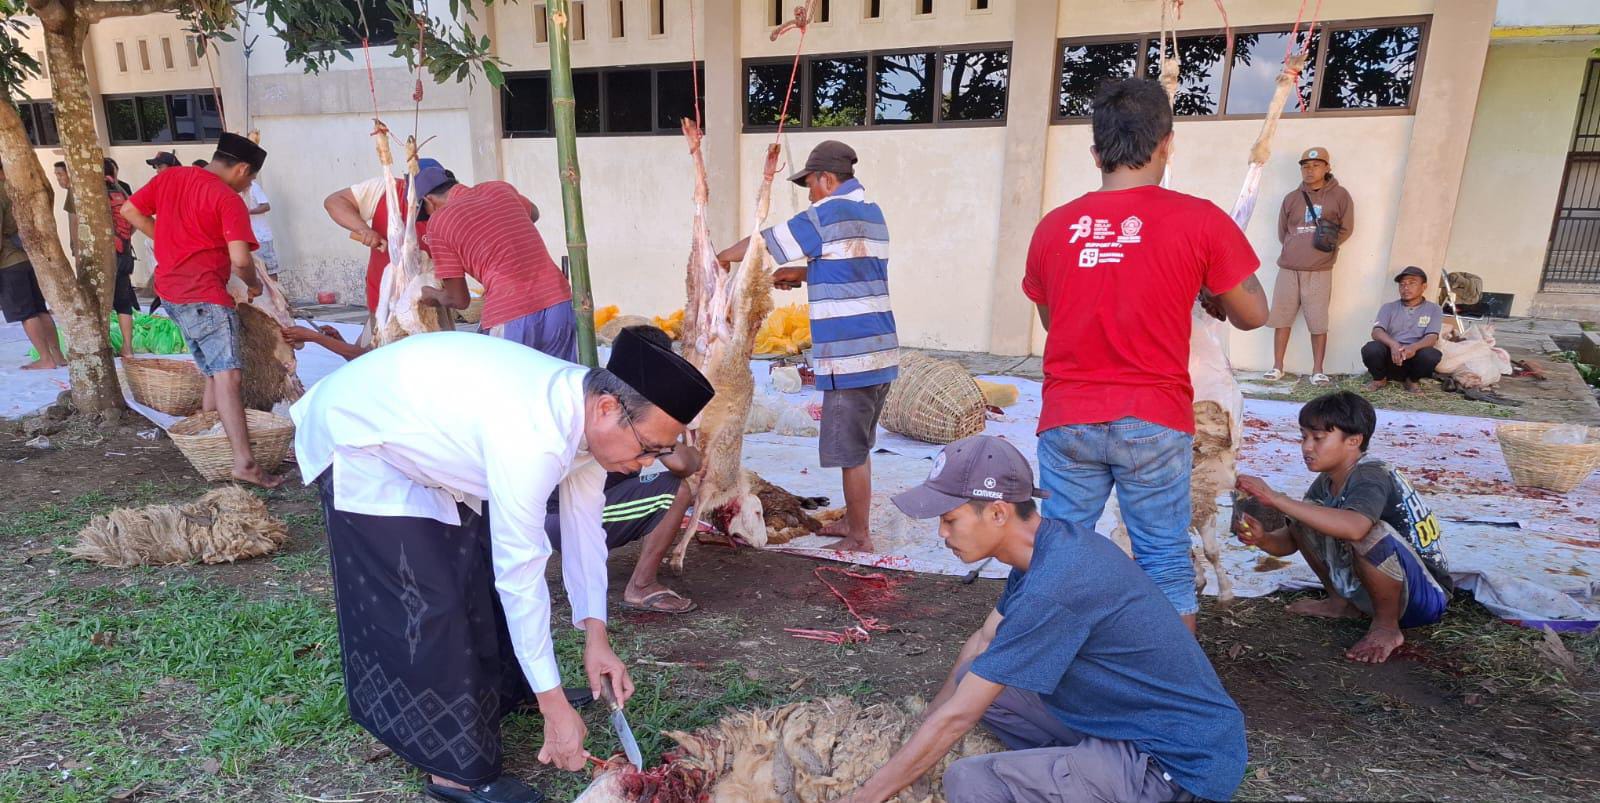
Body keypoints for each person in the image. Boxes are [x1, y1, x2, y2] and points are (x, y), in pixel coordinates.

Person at [289, 328, 716, 803]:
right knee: (431, 600)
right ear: (607, 408)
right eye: (647, 447)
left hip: (432, 435)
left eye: (659, 452)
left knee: (474, 576)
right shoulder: (531, 436)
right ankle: (455, 773)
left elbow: (584, 533)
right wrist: (556, 708)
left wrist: (596, 637)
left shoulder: (590, 415)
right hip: (360, 436)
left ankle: (514, 689)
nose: (646, 464)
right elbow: (521, 573)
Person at [830, 435, 1247, 803]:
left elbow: (960, 716)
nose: (942, 533)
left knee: (971, 782)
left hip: (1174, 764)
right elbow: (983, 642)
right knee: (975, 679)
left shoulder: (1056, 584)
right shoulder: (1050, 547)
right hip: (1133, 725)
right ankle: (1075, 772)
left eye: (950, 519)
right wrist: (915, 731)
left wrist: (868, 795)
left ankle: (1090, 779)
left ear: (998, 513)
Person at [1022, 78, 1268, 629]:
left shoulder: (1053, 228)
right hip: (1154, 419)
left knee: (1059, 554)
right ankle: (1173, 679)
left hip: (1069, 417)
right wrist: (1202, 284)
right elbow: (1254, 313)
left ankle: (1045, 666)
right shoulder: (1201, 221)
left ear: (1095, 153)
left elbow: (1054, 321)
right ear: (1167, 144)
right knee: (1163, 559)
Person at [713, 140, 897, 553]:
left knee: (850, 453)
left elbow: (763, 244)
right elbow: (854, 268)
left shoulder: (826, 213)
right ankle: (854, 519)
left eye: (810, 185)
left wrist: (722, 257)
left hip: (850, 357)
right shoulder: (872, 214)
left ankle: (859, 535)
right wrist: (805, 272)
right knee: (860, 446)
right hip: (880, 352)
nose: (810, 195)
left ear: (827, 179)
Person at [1234, 391, 1450, 664]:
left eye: (1318, 438)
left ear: (1354, 441)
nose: (1306, 447)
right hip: (1380, 591)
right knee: (1308, 513)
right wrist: (1262, 538)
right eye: (1303, 437)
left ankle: (1386, 627)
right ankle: (1340, 603)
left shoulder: (1371, 473)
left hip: (1424, 599)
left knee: (1366, 531)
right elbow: (1291, 540)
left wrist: (1278, 499)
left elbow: (1356, 529)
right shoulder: (1327, 480)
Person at [121, 133, 278, 488]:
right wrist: (254, 285)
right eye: (251, 179)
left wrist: (167, 240)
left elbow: (130, 210)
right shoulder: (228, 199)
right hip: (204, 294)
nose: (248, 186)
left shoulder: (171, 177)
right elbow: (241, 260)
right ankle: (245, 463)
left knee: (212, 370)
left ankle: (211, 438)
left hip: (170, 291)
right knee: (228, 376)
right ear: (242, 169)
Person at [547, 326, 702, 613]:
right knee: (676, 492)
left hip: (582, 502)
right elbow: (684, 464)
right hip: (560, 517)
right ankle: (641, 586)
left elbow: (689, 462)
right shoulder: (615, 405)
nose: (647, 459)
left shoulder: (602, 391)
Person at [411, 167, 575, 359]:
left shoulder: (439, 222)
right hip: (558, 299)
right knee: (558, 375)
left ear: (429, 200)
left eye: (426, 213)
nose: (429, 218)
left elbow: (459, 300)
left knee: (507, 377)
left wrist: (431, 295)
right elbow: (534, 213)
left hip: (510, 309)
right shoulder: (499, 188)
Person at [1265, 147, 1355, 385]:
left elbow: (1346, 228)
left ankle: (1317, 370)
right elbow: (1283, 232)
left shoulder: (1340, 195)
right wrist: (1295, 248)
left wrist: (1325, 249)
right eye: (1305, 166)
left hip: (1319, 270)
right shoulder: (1291, 198)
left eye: (1316, 165)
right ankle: (1277, 366)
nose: (1310, 170)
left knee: (1318, 321)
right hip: (1288, 268)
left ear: (1327, 168)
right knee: (1281, 318)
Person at [322, 157, 444, 317]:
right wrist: (363, 229)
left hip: (429, 306)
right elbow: (334, 202)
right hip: (383, 304)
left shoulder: (447, 207)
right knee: (382, 330)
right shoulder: (386, 190)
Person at [0, 159, 67, 370]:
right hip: (31, 257)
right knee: (40, 308)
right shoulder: (20, 188)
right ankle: (57, 356)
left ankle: (45, 358)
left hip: (10, 260)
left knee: (26, 313)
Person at [1362, 266, 1444, 394]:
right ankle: (1379, 379)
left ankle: (1412, 381)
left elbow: (1432, 337)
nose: (1406, 288)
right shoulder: (1388, 307)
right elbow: (1376, 331)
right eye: (1402, 284)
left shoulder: (1434, 309)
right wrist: (1393, 345)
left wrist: (1413, 347)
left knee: (1431, 355)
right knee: (1371, 348)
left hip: (1413, 359)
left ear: (1424, 286)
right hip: (1391, 358)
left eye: (1412, 283)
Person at [140, 151, 180, 313]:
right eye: (155, 168)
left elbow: (131, 210)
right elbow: (135, 210)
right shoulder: (160, 185)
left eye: (160, 166)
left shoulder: (182, 184)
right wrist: (160, 234)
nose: (157, 171)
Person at [244, 179, 278, 276]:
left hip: (261, 238)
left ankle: (274, 286)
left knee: (269, 270)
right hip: (248, 239)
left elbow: (266, 206)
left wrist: (249, 211)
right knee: (256, 272)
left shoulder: (254, 188)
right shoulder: (237, 191)